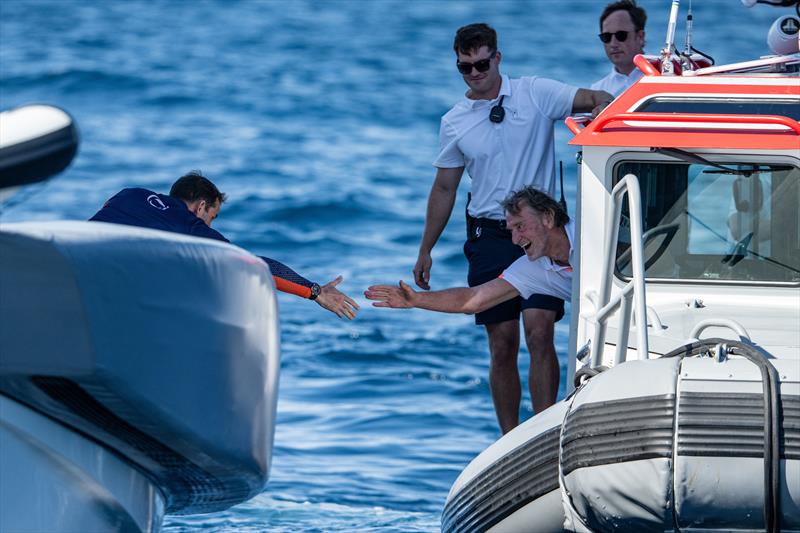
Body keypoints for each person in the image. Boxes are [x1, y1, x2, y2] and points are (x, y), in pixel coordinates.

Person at [411, 23, 609, 433]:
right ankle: (509, 440)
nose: (475, 73)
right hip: (489, 233)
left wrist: (609, 120)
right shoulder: (454, 121)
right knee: (502, 343)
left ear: (497, 58)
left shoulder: (535, 92)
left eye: (482, 64)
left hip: (542, 229)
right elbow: (445, 187)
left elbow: (593, 99)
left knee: (539, 332)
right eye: (465, 67)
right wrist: (425, 249)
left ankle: (544, 431)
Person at [89, 171, 359, 320]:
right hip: (105, 286)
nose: (210, 226)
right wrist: (314, 291)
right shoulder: (189, 226)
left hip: (71, 258)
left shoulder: (130, 193)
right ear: (201, 207)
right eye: (212, 218)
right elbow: (253, 264)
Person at [368, 186, 574, 375]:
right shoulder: (532, 268)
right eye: (511, 230)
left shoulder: (595, 233)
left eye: (520, 226)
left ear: (548, 217)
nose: (515, 239)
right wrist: (415, 300)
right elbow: (473, 299)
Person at [592, 0, 647, 97]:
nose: (613, 44)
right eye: (606, 37)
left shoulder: (666, 76)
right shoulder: (597, 90)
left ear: (640, 37)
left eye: (621, 35)